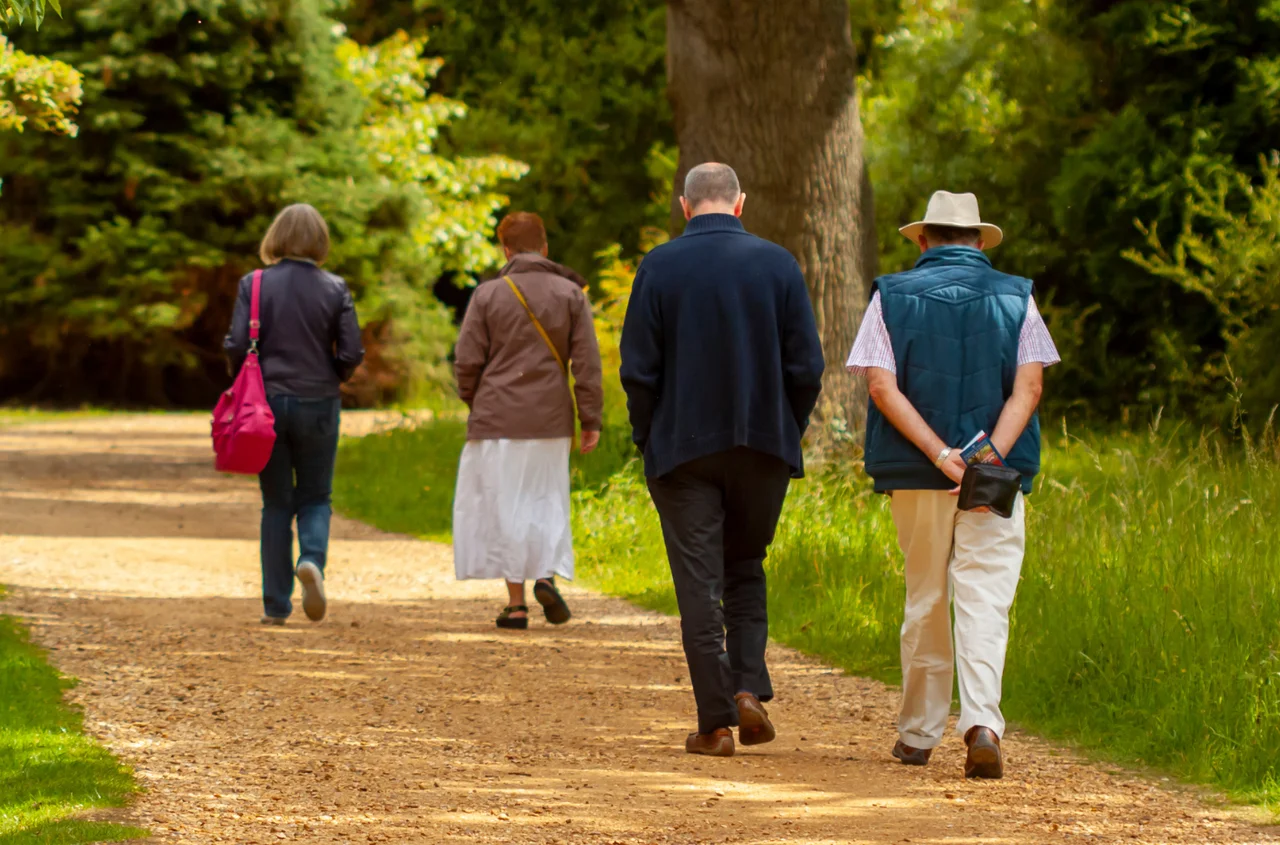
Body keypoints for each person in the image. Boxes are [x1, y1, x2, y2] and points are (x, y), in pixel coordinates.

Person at [848, 190, 1060, 779]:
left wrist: (943, 457)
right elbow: (1030, 389)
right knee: (986, 595)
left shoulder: (889, 295)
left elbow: (882, 388)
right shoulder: (1019, 297)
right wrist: (986, 456)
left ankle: (917, 735)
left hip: (918, 472)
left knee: (926, 596)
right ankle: (983, 725)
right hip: (996, 474)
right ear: (979, 241)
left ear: (923, 239)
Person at [620, 163, 825, 757]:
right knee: (745, 564)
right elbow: (806, 369)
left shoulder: (658, 266)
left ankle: (714, 723)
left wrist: (647, 439)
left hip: (682, 450)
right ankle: (746, 687)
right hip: (763, 446)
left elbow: (638, 370)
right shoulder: (779, 264)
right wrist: (787, 428)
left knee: (698, 583)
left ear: (685, 207)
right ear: (740, 203)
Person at [452, 212, 604, 630]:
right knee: (545, 498)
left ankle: (516, 605)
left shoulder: (487, 295)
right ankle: (545, 576)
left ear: (505, 250)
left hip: (497, 417)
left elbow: (467, 362)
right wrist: (590, 417)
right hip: (551, 420)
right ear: (545, 248)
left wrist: (477, 401)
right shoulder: (572, 293)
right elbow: (586, 364)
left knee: (504, 506)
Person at [224, 203, 364, 626]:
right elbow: (353, 350)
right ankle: (313, 562)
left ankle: (275, 605)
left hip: (265, 403)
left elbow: (235, 344)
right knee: (316, 495)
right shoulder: (335, 287)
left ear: (276, 238)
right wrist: (333, 374)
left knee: (276, 502)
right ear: (320, 242)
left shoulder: (256, 282)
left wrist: (243, 381)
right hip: (320, 400)